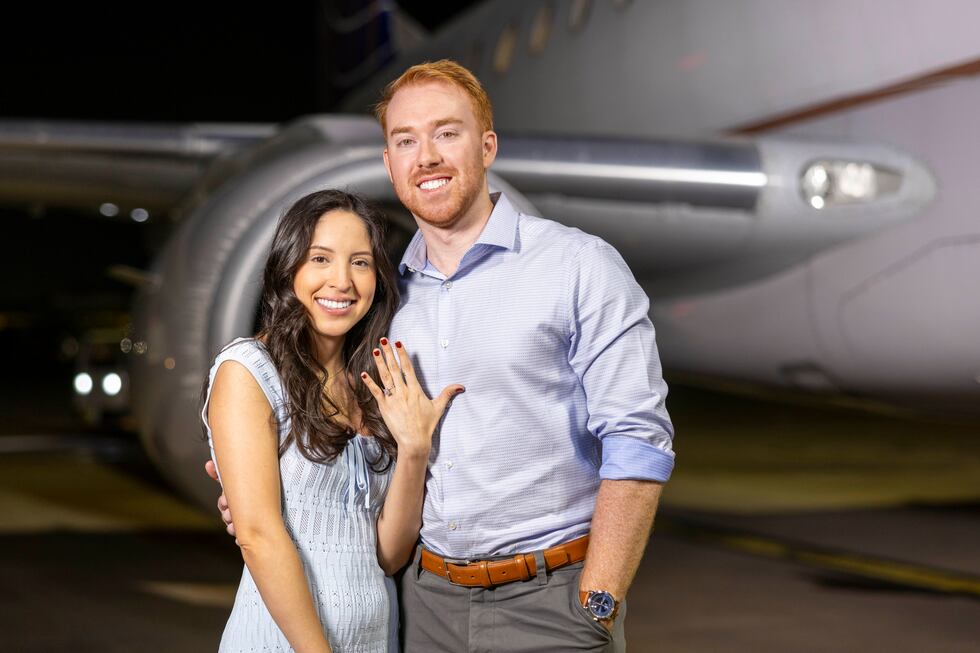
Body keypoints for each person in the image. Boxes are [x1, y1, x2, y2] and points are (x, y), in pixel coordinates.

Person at [212, 59, 675, 652]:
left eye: (446, 133)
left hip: (549, 601)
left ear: (487, 146)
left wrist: (598, 601)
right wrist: (268, 486)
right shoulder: (384, 305)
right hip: (422, 604)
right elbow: (339, 443)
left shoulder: (577, 266)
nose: (425, 155)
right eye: (406, 140)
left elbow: (639, 439)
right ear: (389, 163)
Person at [202, 189, 463, 652]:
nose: (341, 281)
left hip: (374, 640)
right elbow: (259, 536)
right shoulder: (248, 370)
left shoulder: (373, 385)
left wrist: (415, 450)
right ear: (289, 268)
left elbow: (387, 554)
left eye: (360, 263)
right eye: (320, 258)